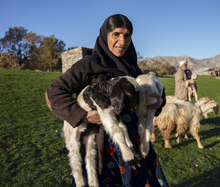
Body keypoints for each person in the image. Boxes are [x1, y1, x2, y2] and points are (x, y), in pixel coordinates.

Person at [45, 14, 168, 187]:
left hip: (133, 142)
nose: (122, 41)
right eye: (116, 34)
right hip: (101, 145)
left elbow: (147, 97)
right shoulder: (88, 65)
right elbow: (54, 92)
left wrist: (158, 102)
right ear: (105, 35)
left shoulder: (133, 67)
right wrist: (83, 116)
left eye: (127, 35)